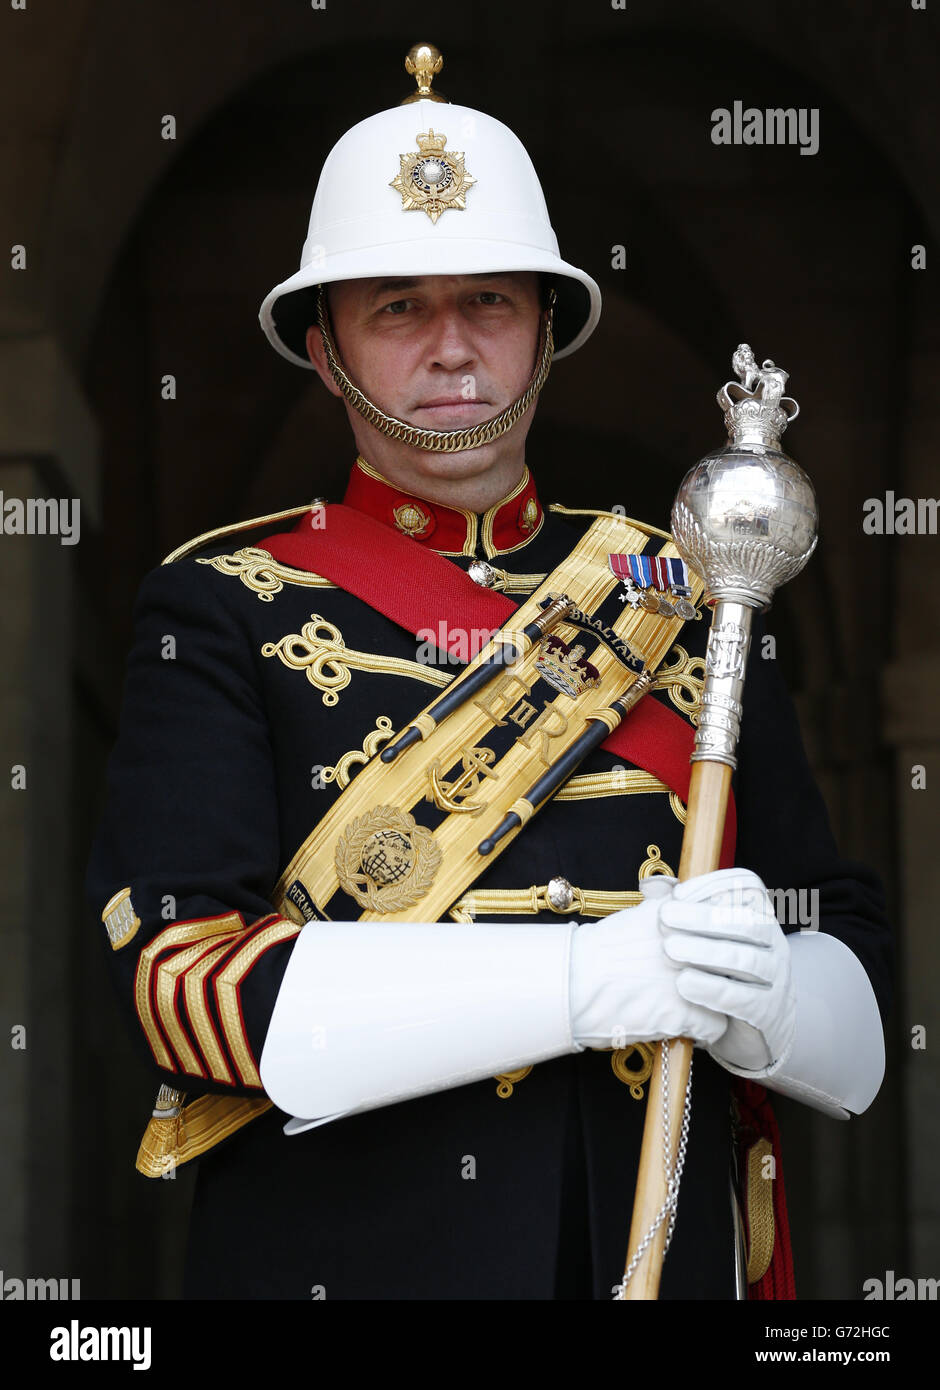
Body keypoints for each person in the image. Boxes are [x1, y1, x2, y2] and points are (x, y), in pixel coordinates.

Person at [85, 44, 891, 1301]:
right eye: (397, 306)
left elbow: (853, 981)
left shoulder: (675, 597)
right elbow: (191, 992)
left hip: (652, 1257)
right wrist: (583, 981)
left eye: (491, 303)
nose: (450, 349)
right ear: (322, 341)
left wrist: (769, 995)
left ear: (547, 330)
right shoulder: (222, 603)